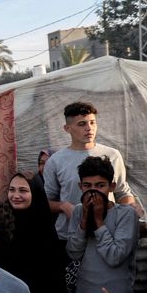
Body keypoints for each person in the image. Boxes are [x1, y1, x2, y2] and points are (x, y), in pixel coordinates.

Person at [66, 155, 139, 293]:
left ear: (111, 186)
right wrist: (83, 223)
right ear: (80, 186)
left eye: (100, 185)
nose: (93, 190)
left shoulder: (126, 215)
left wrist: (98, 222)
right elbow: (73, 252)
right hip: (86, 292)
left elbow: (115, 256)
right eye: (87, 185)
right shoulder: (79, 211)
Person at [43, 102, 139, 240]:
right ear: (67, 128)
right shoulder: (55, 161)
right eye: (82, 124)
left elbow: (122, 192)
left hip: (107, 232)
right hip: (70, 235)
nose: (89, 128)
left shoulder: (112, 155)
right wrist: (63, 206)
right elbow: (46, 201)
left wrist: (129, 212)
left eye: (92, 123)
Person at [0, 172, 67, 293]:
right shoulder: (0, 225)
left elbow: (53, 276)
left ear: (36, 193)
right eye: (12, 190)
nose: (16, 195)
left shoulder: (44, 228)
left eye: (23, 190)